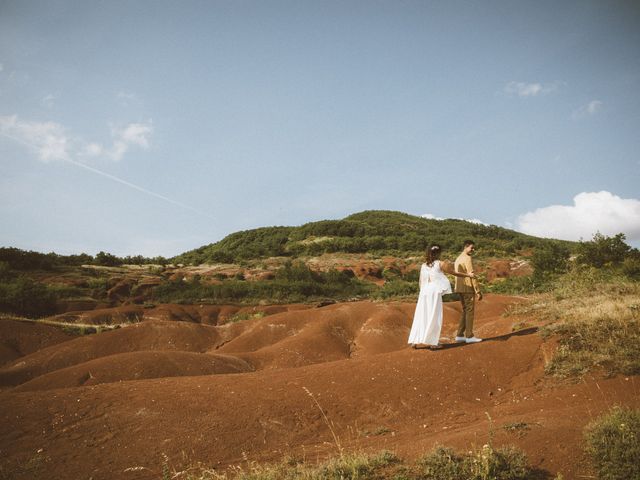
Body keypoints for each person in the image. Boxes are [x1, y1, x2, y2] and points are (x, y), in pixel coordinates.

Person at [408, 244, 475, 350]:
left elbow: (421, 281)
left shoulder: (423, 265)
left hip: (424, 292)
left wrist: (423, 293)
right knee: (434, 316)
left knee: (421, 315)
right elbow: (454, 273)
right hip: (434, 292)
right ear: (438, 253)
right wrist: (468, 275)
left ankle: (415, 341)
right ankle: (433, 343)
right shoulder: (441, 263)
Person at [454, 240, 483, 343]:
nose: (473, 250)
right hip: (468, 288)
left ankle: (459, 335)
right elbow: (472, 275)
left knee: (465, 310)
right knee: (469, 311)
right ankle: (469, 336)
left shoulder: (458, 258)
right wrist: (478, 291)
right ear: (466, 247)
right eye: (472, 248)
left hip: (459, 288)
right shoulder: (467, 258)